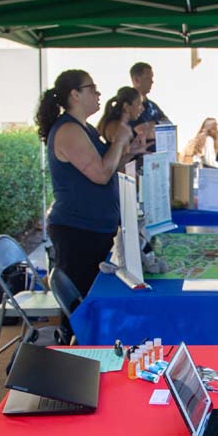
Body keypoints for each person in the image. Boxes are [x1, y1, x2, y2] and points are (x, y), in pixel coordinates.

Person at [37, 69, 141, 296]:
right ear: (75, 94)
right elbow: (101, 174)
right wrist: (120, 139)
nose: (98, 94)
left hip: (96, 229)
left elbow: (109, 165)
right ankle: (71, 333)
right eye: (92, 88)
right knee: (83, 300)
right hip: (79, 232)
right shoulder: (68, 130)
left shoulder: (85, 128)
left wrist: (130, 151)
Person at [97, 86, 147, 150]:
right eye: (139, 104)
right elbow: (121, 157)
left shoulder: (118, 125)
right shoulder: (118, 128)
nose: (142, 109)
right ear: (126, 106)